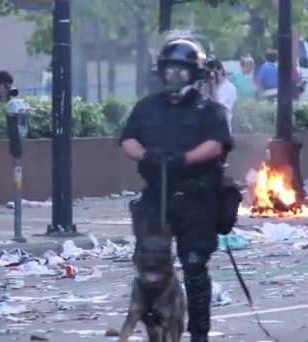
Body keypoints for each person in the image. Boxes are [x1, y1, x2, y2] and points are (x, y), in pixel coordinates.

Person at [119, 35, 232, 342]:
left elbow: (215, 144)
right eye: (169, 69)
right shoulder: (147, 108)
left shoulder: (208, 110)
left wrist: (184, 159)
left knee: (194, 265)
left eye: (181, 70)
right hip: (157, 196)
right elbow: (128, 140)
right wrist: (147, 155)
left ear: (194, 73)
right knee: (152, 270)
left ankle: (199, 334)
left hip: (196, 199)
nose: (174, 76)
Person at [206, 59, 238, 132]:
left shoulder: (230, 88)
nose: (211, 75)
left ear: (220, 70)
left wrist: (213, 86)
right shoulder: (206, 86)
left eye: (213, 72)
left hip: (222, 130)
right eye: (208, 73)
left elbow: (219, 109)